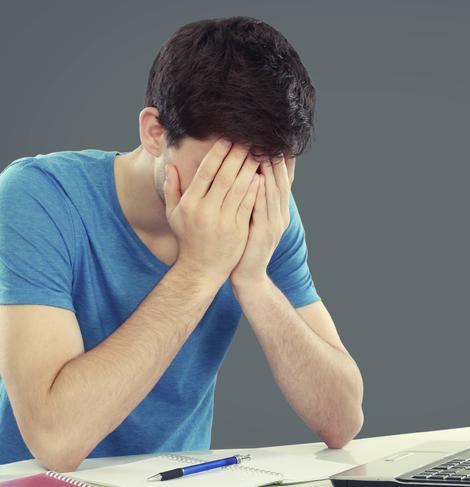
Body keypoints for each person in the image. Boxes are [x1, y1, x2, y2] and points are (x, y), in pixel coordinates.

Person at [0, 16, 364, 471]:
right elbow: (56, 440)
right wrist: (200, 270)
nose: (244, 194)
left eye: (269, 169)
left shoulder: (269, 213)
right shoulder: (39, 197)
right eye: (223, 168)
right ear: (156, 133)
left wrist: (252, 280)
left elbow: (342, 419)